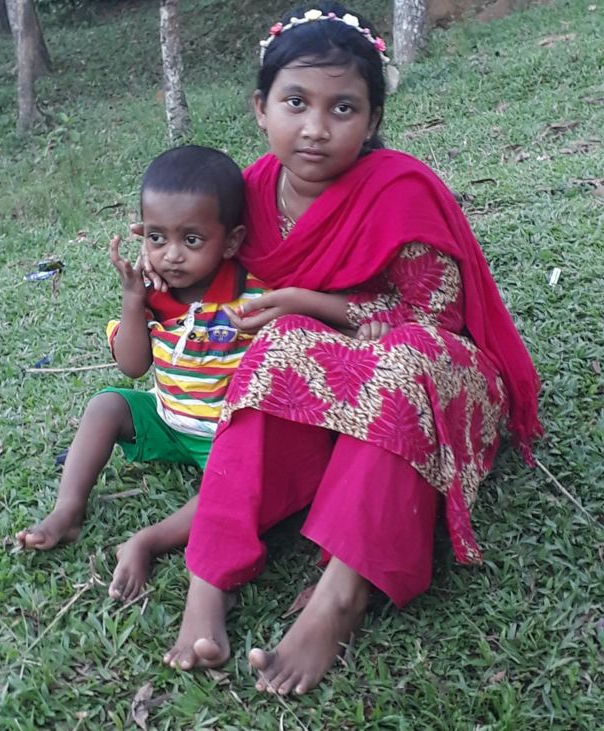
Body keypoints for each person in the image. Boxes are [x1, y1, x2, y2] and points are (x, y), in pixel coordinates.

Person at [147, 3, 542, 695]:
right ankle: (207, 578)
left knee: (396, 356)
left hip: (429, 373)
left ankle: (341, 593)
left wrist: (311, 302)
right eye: (295, 102)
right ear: (260, 108)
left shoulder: (398, 190)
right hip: (330, 374)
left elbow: (436, 320)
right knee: (279, 342)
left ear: (371, 119)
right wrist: (152, 277)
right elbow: (202, 267)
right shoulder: (247, 195)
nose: (315, 128)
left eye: (343, 108)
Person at [16, 145, 269, 602]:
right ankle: (68, 509)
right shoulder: (153, 292)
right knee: (107, 404)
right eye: (157, 237)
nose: (171, 255)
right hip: (169, 419)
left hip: (231, 436)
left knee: (239, 486)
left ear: (231, 241)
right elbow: (133, 367)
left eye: (191, 240)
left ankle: (148, 541)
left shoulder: (252, 294)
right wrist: (133, 300)